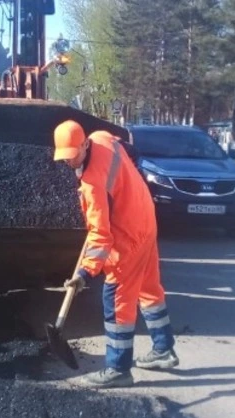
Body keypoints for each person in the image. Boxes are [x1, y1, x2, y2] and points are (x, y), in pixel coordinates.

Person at [52, 120, 179, 388]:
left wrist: (84, 273)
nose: (69, 162)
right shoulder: (102, 137)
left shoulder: (92, 184)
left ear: (85, 145)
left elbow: (100, 236)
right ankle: (163, 349)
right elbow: (131, 152)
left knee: (117, 302)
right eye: (64, 157)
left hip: (128, 239)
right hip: (145, 220)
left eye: (73, 156)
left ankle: (118, 369)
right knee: (149, 291)